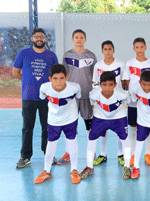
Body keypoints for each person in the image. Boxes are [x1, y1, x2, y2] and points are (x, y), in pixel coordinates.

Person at [12, 28, 58, 169]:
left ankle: (48, 155)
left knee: (47, 127)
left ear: (45, 39)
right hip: (28, 97)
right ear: (32, 38)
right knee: (27, 128)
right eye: (37, 36)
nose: (39, 39)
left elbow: (56, 76)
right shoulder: (24, 53)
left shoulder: (51, 56)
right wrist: (27, 82)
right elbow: (15, 72)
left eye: (42, 37)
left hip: (46, 98)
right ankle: (25, 156)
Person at [80, 71, 132, 179]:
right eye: (104, 85)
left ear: (115, 85)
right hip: (100, 119)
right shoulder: (94, 94)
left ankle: (127, 166)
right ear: (100, 84)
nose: (107, 88)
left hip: (118, 118)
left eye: (110, 85)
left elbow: (128, 101)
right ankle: (89, 167)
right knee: (91, 139)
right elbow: (92, 103)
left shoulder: (122, 94)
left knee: (125, 140)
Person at [34, 64, 81, 184]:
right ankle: (46, 170)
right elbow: (42, 98)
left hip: (70, 119)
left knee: (72, 142)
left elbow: (79, 97)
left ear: (66, 77)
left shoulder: (75, 88)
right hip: (53, 120)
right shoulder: (44, 88)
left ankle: (74, 170)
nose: (59, 82)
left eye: (61, 78)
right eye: (55, 78)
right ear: (50, 79)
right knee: (51, 144)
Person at [58, 29, 97, 165]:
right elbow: (64, 74)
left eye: (81, 37)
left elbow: (93, 76)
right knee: (70, 125)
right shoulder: (67, 55)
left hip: (86, 94)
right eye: (76, 37)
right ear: (72, 39)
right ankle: (68, 152)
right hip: (71, 96)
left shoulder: (91, 55)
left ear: (85, 39)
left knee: (88, 124)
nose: (79, 39)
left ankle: (92, 151)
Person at [92, 40, 129, 166]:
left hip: (118, 102)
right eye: (105, 49)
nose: (108, 51)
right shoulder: (98, 65)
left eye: (110, 49)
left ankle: (120, 154)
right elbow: (95, 84)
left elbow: (124, 81)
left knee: (120, 130)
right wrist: (98, 100)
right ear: (102, 51)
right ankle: (103, 154)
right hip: (103, 102)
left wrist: (124, 97)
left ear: (114, 50)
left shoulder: (120, 64)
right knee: (103, 130)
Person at [125, 37, 150, 166]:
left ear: (145, 47)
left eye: (141, 47)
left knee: (146, 126)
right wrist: (131, 94)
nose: (139, 49)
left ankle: (147, 153)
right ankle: (133, 153)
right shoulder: (129, 63)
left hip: (147, 101)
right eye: (137, 47)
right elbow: (126, 80)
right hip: (133, 101)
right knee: (133, 126)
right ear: (133, 49)